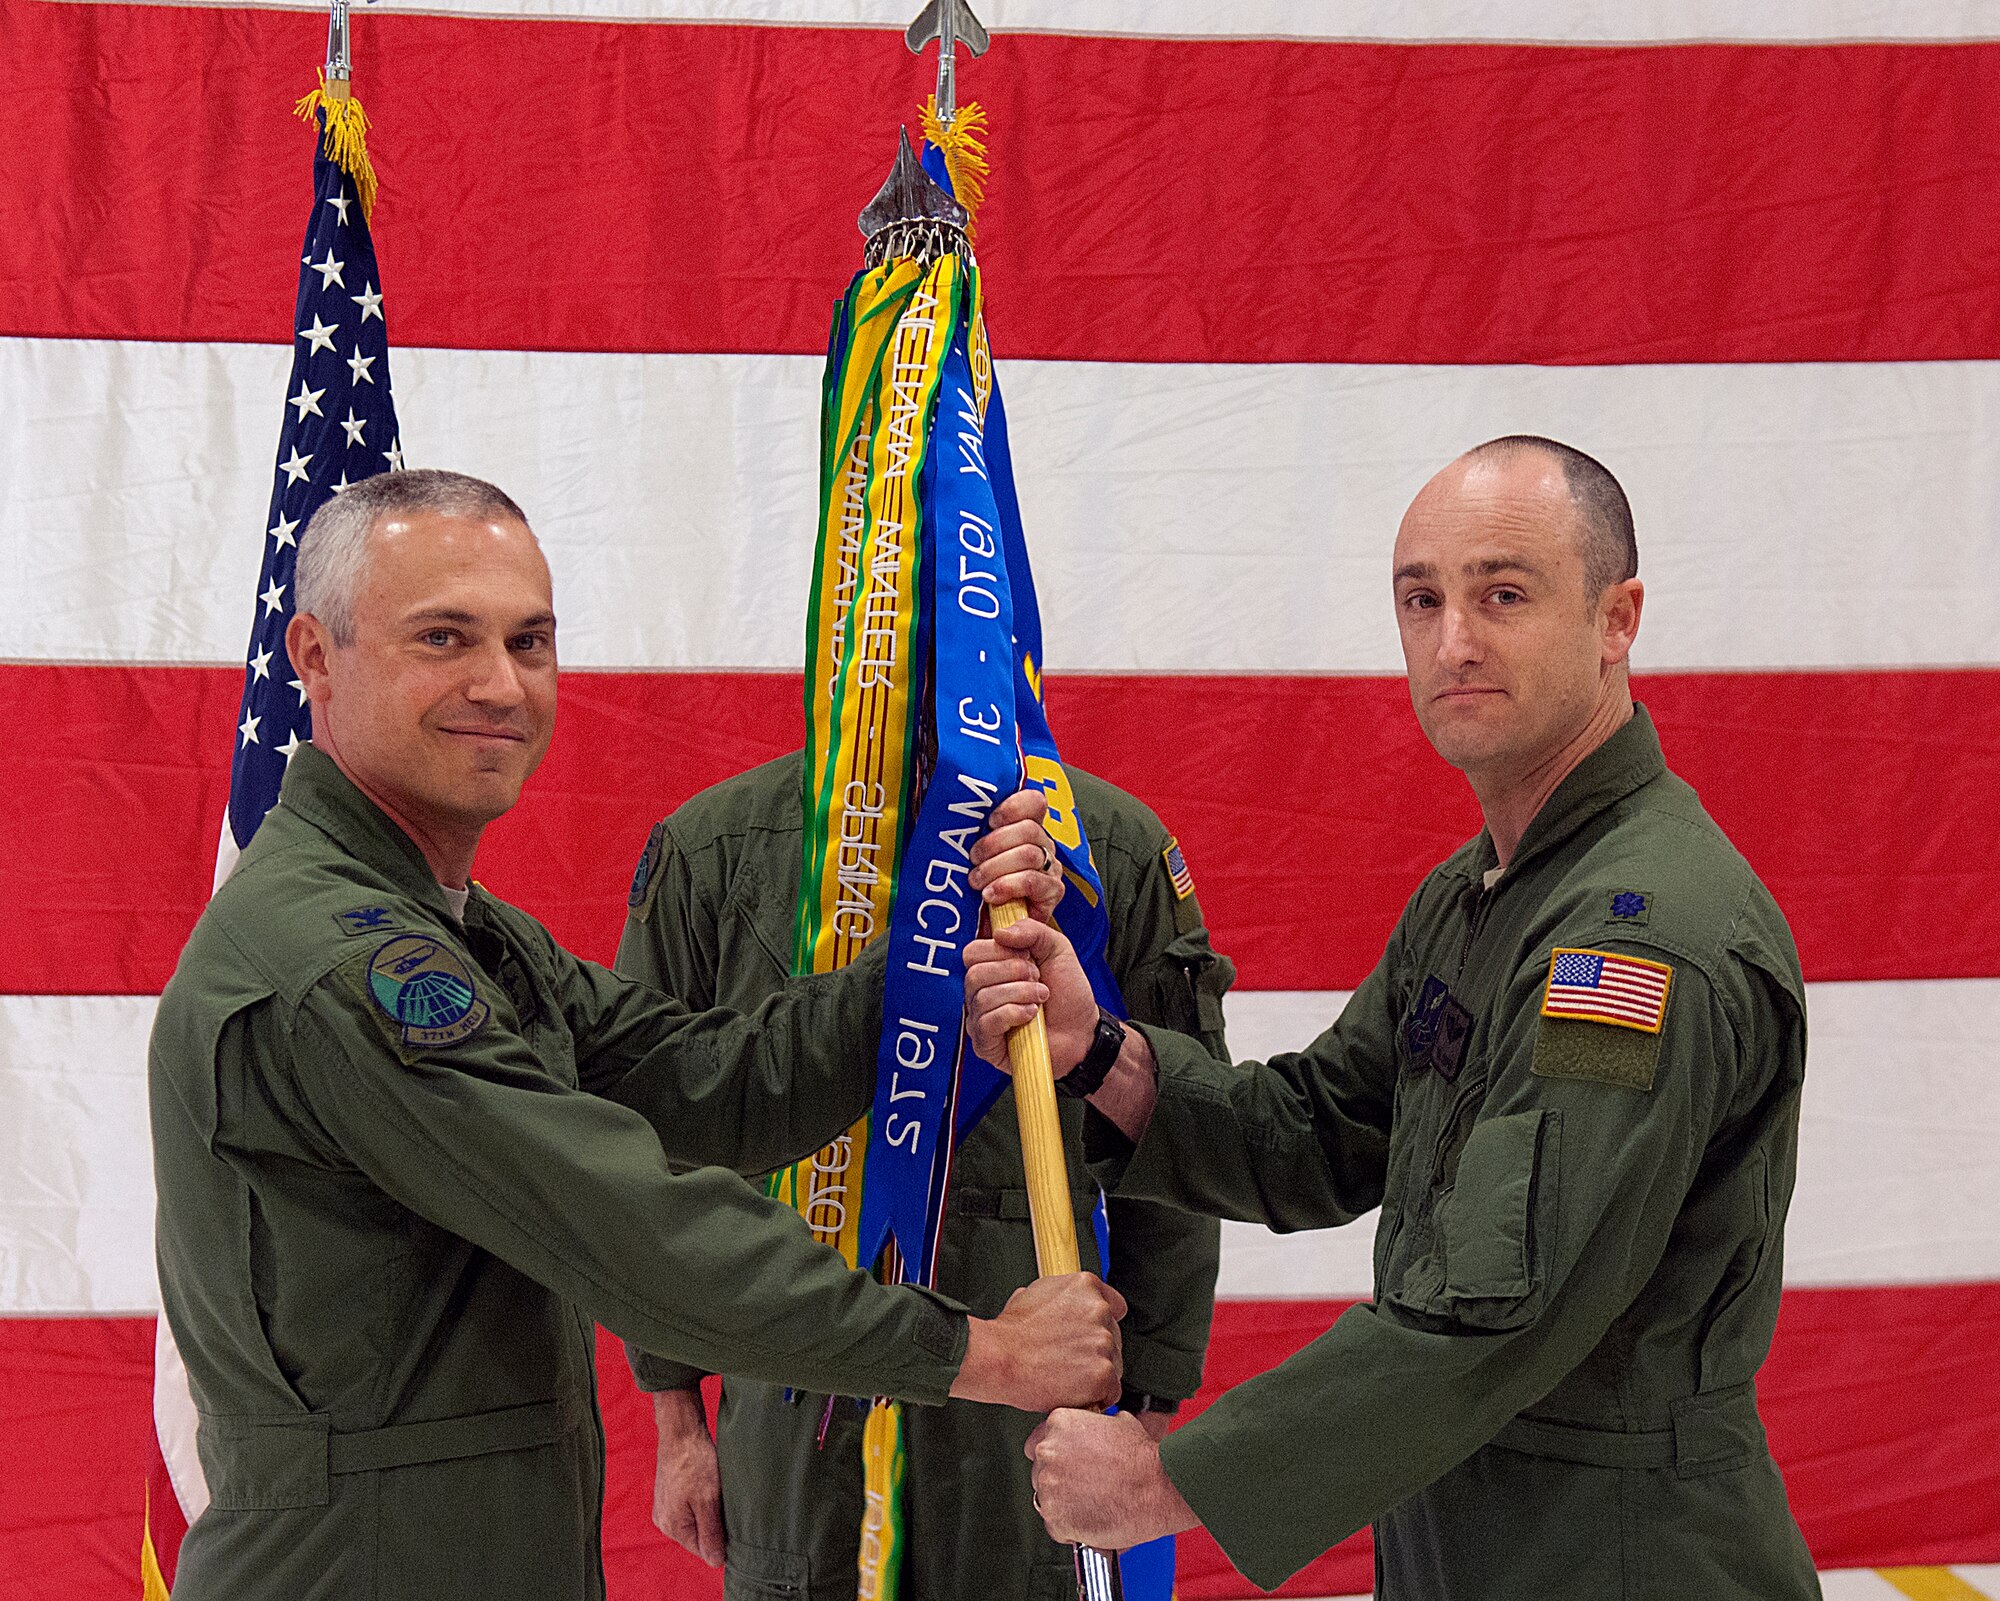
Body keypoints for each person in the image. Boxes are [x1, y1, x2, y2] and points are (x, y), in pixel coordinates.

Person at [149, 469, 1127, 1601]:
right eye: (444, 637)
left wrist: (929, 976)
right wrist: (978, 1352)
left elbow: (699, 1079)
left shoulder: (459, 927)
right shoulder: (346, 961)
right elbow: (628, 1224)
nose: (499, 684)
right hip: (357, 1564)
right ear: (314, 654)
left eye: (529, 640)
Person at [963, 437, 1821, 1599]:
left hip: (1615, 1552)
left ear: (1616, 618)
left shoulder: (1631, 937)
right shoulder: (1480, 895)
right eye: (1420, 598)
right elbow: (1319, 1132)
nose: (1452, 640)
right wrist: (1096, 1049)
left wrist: (1173, 1484)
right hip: (1473, 1527)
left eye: (1501, 593)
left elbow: (1495, 1318)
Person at [617, 750, 1235, 1599]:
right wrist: (675, 1412)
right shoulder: (716, 845)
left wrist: (1150, 1417)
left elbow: (1174, 1156)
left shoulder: (1110, 850)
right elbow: (652, 1153)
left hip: (1029, 1426)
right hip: (794, 1413)